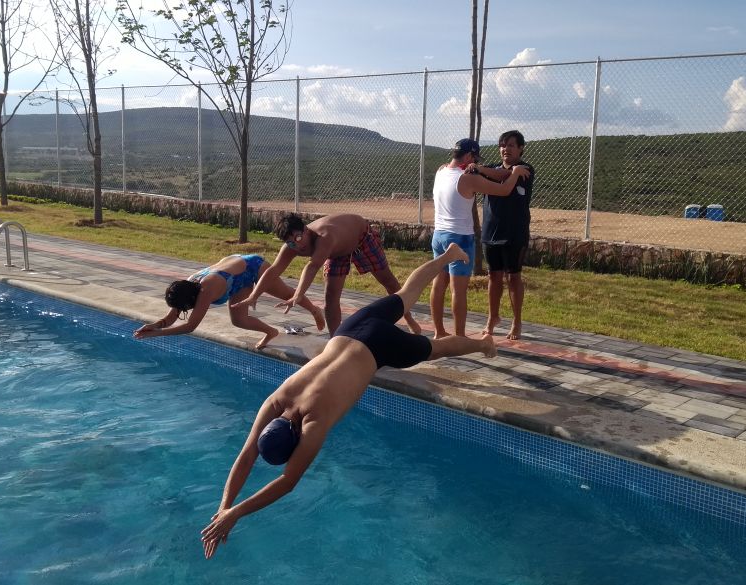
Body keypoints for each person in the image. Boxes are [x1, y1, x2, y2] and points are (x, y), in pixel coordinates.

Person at [200, 243, 496, 559]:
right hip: (350, 330)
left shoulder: (314, 420)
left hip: (380, 347)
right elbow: (247, 454)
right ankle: (448, 255)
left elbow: (287, 482)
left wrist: (236, 512)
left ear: (295, 440)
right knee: (407, 294)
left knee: (437, 349)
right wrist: (223, 508)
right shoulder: (276, 401)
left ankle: (483, 343)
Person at [234, 213, 421, 336]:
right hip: (337, 252)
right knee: (331, 297)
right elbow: (274, 270)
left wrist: (298, 295)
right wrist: (253, 296)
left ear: (306, 230)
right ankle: (335, 340)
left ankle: (410, 320)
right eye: (291, 243)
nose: (297, 245)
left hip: (361, 238)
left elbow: (312, 266)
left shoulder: (324, 237)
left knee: (388, 281)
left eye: (298, 238)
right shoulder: (291, 247)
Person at [430, 138, 530, 338]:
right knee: (458, 291)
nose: (474, 164)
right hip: (459, 239)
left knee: (438, 284)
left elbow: (498, 174)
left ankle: (438, 332)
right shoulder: (467, 178)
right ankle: (459, 337)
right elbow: (504, 190)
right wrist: (516, 173)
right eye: (474, 160)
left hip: (438, 235)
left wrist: (494, 169)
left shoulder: (441, 171)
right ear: (469, 156)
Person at [133, 254, 325, 350]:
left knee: (285, 294)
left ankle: (314, 310)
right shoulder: (185, 289)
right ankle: (271, 332)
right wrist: (154, 326)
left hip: (252, 266)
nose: (183, 311)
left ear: (190, 300)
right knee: (239, 320)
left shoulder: (206, 289)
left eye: (184, 308)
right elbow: (170, 318)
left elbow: (191, 326)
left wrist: (158, 334)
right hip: (236, 280)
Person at [473, 130, 535, 340]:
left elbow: (505, 176)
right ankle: (493, 317)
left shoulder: (525, 169)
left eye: (510, 145)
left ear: (520, 148)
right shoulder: (491, 169)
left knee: (513, 276)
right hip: (490, 232)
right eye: (502, 145)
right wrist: (474, 168)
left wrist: (481, 169)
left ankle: (517, 322)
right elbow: (485, 174)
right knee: (494, 276)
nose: (505, 149)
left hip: (514, 233)